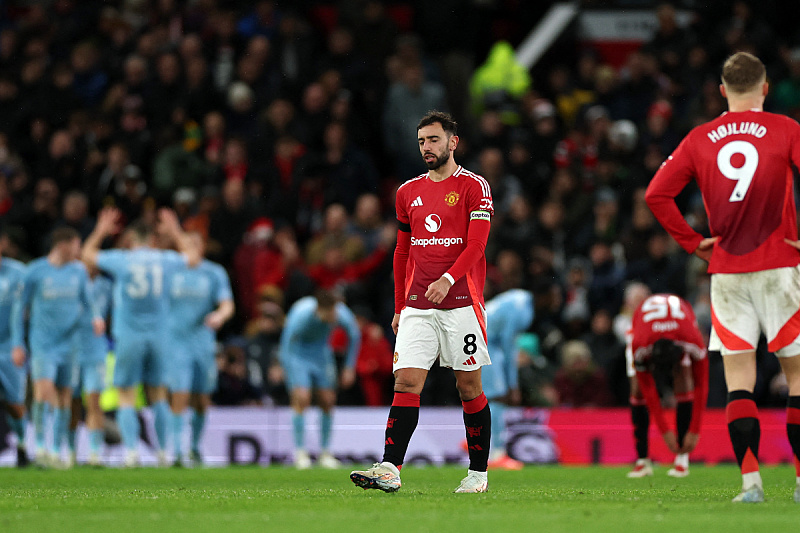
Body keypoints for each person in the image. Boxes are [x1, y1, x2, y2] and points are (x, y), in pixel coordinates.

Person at [645, 51, 800, 503]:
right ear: (765, 88)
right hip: (779, 267)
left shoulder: (700, 138)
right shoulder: (786, 129)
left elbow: (657, 194)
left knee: (739, 380)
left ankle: (751, 483)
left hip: (728, 271)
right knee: (796, 377)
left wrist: (693, 242)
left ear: (721, 91)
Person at [350, 111, 494, 493]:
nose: (426, 148)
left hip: (462, 303)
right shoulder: (406, 192)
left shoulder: (474, 186)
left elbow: (477, 245)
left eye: (433, 140)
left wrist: (448, 280)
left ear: (452, 142)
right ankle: (390, 468)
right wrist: (399, 307)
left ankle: (478, 474)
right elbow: (401, 251)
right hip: (418, 305)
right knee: (407, 381)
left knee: (469, 388)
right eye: (421, 142)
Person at [81, 207, 199, 467]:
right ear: (153, 240)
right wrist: (176, 230)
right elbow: (192, 257)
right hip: (159, 336)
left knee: (126, 395)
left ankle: (132, 452)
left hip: (129, 335)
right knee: (158, 395)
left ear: (131, 241)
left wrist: (101, 230)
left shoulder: (123, 259)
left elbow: (87, 255)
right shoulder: (164, 259)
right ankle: (163, 453)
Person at [11, 227, 103, 467]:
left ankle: (55, 449)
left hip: (71, 344)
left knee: (64, 396)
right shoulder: (36, 271)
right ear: (63, 245)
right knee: (44, 391)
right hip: (43, 343)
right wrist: (17, 342)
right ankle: (40, 445)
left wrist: (96, 317)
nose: (79, 251)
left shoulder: (79, 271)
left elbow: (88, 300)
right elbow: (19, 309)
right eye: (76, 245)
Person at [166, 232, 234, 466]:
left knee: (202, 398)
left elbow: (227, 304)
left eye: (196, 243)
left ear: (203, 247)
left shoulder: (214, 272)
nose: (192, 248)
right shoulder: (170, 271)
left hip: (203, 343)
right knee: (180, 394)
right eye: (187, 243)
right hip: (176, 342)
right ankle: (176, 451)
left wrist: (220, 315)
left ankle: (194, 447)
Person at [625, 293, 708, 479]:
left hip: (680, 326)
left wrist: (695, 430)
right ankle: (642, 460)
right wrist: (665, 432)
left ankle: (682, 459)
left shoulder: (692, 340)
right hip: (643, 327)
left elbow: (701, 385)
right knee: (637, 390)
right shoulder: (640, 345)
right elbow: (649, 390)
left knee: (684, 380)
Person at [279, 289, 359, 469]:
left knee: (327, 400)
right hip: (298, 356)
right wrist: (287, 368)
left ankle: (325, 453)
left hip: (322, 355)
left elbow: (354, 335)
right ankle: (300, 452)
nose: (333, 316)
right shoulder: (301, 315)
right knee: (302, 398)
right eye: (329, 313)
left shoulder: (340, 313)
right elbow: (287, 342)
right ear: (320, 310)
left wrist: (349, 367)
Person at [483, 288, 534, 470]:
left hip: (476, 338)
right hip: (485, 343)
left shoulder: (516, 297)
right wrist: (513, 384)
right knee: (498, 396)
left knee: (485, 396)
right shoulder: (524, 308)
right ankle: (497, 453)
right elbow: (508, 342)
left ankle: (475, 439)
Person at [68, 268, 113, 467]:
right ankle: (70, 452)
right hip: (72, 349)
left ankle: (95, 453)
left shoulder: (107, 286)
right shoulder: (71, 281)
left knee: (94, 401)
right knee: (73, 403)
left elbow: (112, 314)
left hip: (96, 350)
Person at [0, 233, 30, 467]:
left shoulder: (19, 273)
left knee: (14, 402)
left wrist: (20, 344)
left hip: (9, 347)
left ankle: (22, 444)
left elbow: (28, 309)